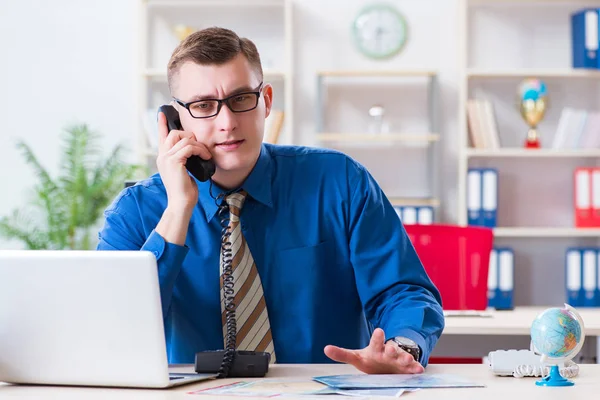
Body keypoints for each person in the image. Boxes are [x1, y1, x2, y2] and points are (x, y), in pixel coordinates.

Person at [97, 26, 444, 374]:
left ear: (266, 102)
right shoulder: (136, 211)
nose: (227, 122)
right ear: (174, 119)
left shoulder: (340, 182)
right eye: (204, 106)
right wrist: (177, 209)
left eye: (241, 99)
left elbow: (403, 290)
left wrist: (402, 346)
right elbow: (112, 325)